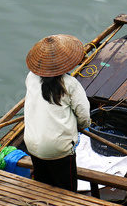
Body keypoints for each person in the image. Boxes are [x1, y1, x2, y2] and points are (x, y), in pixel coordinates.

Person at [23, 34, 91, 192]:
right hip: (58, 150)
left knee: (43, 184)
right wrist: (81, 126)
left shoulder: (31, 77)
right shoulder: (70, 84)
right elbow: (84, 117)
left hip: (32, 144)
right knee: (67, 191)